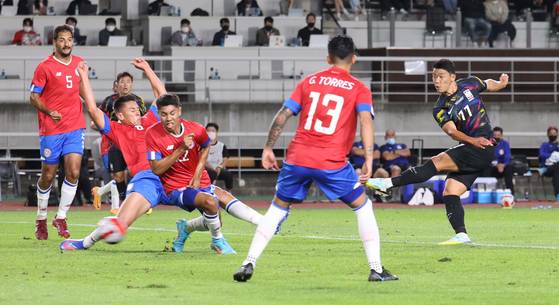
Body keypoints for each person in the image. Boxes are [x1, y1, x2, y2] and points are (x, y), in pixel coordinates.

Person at [233, 35, 398, 283]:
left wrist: (268, 147)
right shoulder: (359, 88)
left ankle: (249, 262)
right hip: (331, 161)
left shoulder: (308, 81)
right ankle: (376, 268)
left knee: (277, 208)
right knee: (363, 206)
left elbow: (283, 114)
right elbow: (365, 121)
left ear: (328, 58)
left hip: (297, 157)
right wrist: (369, 159)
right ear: (354, 58)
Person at [59, 58, 227, 253]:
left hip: (175, 174)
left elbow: (162, 94)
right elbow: (92, 109)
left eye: (137, 108)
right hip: (148, 179)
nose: (137, 111)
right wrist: (85, 77)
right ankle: (85, 243)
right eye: (131, 110)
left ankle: (214, 239)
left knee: (213, 211)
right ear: (120, 116)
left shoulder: (150, 120)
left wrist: (147, 68)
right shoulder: (116, 129)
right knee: (120, 225)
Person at [367, 59, 509, 245]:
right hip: (474, 147)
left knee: (437, 161)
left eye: (440, 76)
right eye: (433, 77)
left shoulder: (469, 83)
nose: (436, 81)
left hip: (482, 147)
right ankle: (461, 234)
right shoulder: (440, 107)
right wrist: (472, 140)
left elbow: (488, 84)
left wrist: (501, 84)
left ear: (452, 77)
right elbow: (451, 131)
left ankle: (387, 183)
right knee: (450, 191)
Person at [146, 97, 263, 254]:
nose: (168, 118)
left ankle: (186, 228)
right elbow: (156, 169)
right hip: (176, 188)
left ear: (179, 111)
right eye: (164, 114)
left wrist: (198, 173)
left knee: (220, 204)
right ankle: (217, 242)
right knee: (210, 202)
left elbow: (206, 145)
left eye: (172, 113)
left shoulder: (196, 128)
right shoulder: (152, 134)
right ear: (159, 114)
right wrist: (180, 148)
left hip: (199, 182)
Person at [30, 25, 86, 240]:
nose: (66, 44)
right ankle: (41, 218)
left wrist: (94, 108)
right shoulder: (45, 67)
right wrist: (48, 110)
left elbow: (83, 90)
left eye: (69, 39)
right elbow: (33, 97)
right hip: (51, 129)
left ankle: (61, 217)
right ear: (54, 42)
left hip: (74, 126)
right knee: (48, 175)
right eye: (62, 40)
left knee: (73, 172)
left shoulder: (79, 64)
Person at [97, 72, 147, 212]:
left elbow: (144, 120)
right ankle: (123, 197)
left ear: (132, 84)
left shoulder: (138, 101)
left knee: (137, 171)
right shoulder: (109, 101)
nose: (125, 84)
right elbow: (97, 121)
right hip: (115, 143)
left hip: (135, 142)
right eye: (122, 82)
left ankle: (138, 199)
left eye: (128, 81)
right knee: (118, 175)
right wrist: (109, 129)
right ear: (116, 85)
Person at [204, 123, 234, 191]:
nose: (210, 133)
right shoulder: (203, 145)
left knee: (228, 175)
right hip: (206, 169)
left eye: (213, 131)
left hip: (219, 169)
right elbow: (202, 159)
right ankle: (208, 191)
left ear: (216, 132)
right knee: (211, 173)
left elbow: (225, 159)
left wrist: (220, 167)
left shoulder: (222, 146)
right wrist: (211, 168)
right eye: (208, 131)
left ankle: (228, 192)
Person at [485, 126, 514, 194]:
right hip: (493, 167)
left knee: (509, 168)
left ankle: (510, 194)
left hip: (503, 167)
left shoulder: (505, 143)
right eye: (495, 135)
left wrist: (503, 165)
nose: (496, 137)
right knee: (485, 169)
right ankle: (488, 193)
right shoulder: (488, 144)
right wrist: (497, 164)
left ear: (501, 135)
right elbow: (489, 157)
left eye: (498, 135)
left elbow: (508, 155)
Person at [539, 126, 559, 202]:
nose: (553, 135)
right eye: (551, 134)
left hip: (556, 169)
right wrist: (552, 155)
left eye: (554, 134)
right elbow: (541, 155)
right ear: (548, 135)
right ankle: (558, 194)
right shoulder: (544, 145)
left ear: (557, 135)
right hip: (547, 169)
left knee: (557, 170)